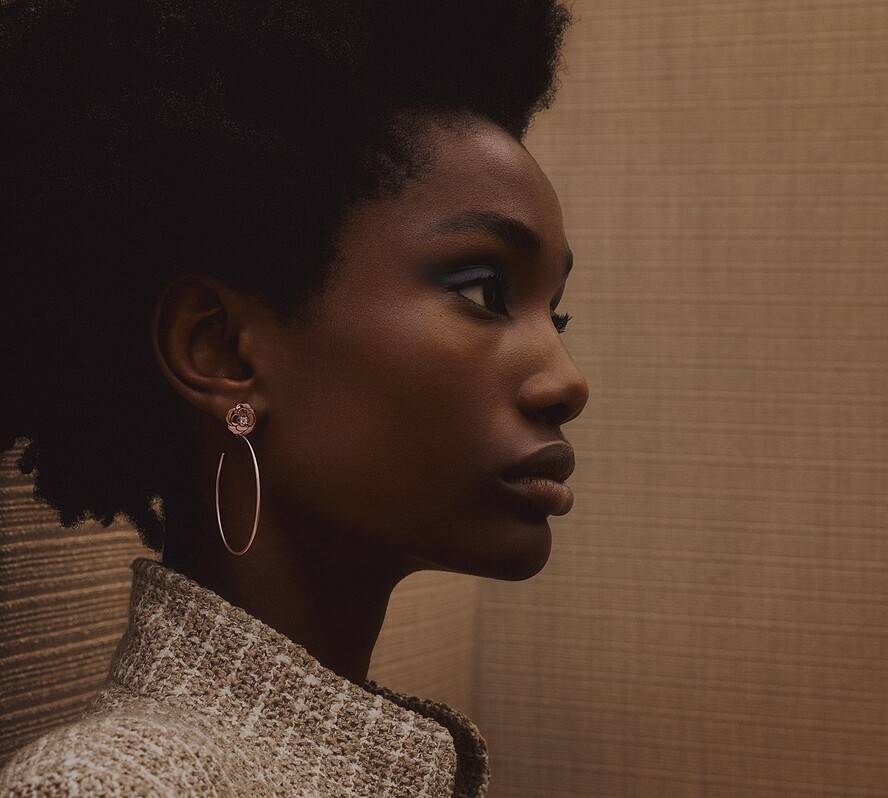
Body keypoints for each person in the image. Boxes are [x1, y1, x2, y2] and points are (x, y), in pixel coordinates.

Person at [0, 0, 586, 795]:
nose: (567, 380)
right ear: (221, 351)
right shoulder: (110, 785)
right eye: (484, 291)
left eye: (554, 314)